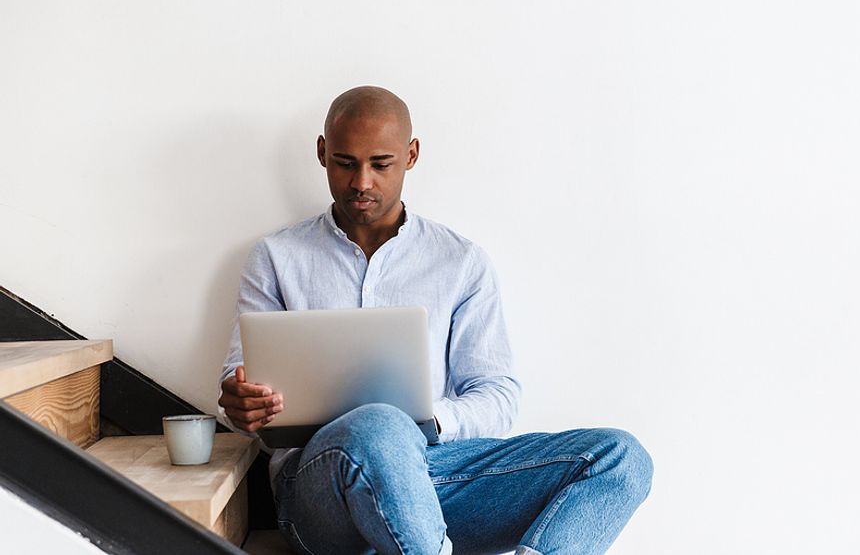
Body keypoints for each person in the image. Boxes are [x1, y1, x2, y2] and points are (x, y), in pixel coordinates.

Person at [218, 86, 652, 555]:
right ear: (322, 153)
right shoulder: (275, 258)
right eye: (345, 163)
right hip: (319, 493)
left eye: (381, 164)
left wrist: (427, 423)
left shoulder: (461, 262)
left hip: (435, 473)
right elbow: (237, 384)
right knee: (377, 425)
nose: (361, 182)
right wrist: (239, 405)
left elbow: (498, 394)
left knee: (620, 458)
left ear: (411, 155)